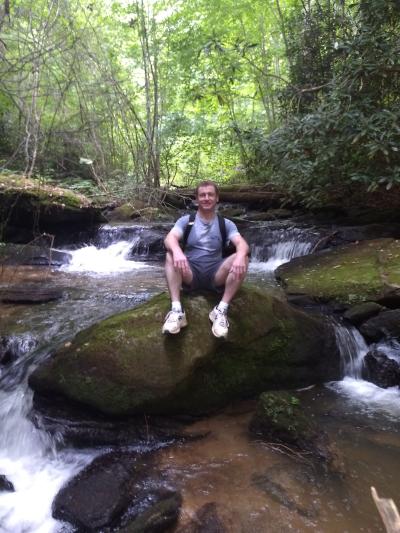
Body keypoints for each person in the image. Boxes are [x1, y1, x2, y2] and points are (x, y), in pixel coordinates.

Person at [163, 180, 249, 338]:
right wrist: (177, 251)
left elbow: (242, 244)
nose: (206, 198)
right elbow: (169, 238)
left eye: (210, 194)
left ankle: (220, 310)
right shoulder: (186, 221)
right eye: (202, 195)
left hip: (216, 274)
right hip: (190, 273)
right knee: (170, 254)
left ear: (217, 198)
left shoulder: (226, 224)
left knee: (242, 257)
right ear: (196, 198)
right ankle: (177, 310)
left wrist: (240, 256)